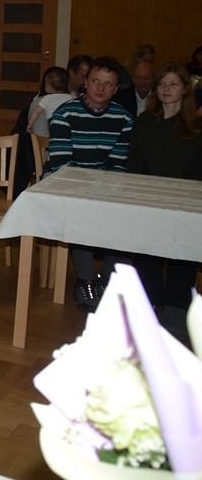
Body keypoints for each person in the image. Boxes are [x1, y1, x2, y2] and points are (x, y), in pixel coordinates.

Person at [44, 56, 135, 311]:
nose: (100, 88)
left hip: (104, 180)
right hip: (65, 179)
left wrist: (106, 188)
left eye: (108, 84)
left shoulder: (124, 118)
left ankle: (109, 278)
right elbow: (62, 164)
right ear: (85, 82)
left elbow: (118, 164)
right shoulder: (65, 113)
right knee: (81, 207)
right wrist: (92, 189)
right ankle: (85, 279)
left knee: (127, 208)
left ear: (116, 89)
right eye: (95, 81)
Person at [128, 63, 202, 343]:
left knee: (185, 252)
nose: (166, 89)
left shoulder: (196, 127)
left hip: (186, 200)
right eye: (161, 84)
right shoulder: (145, 122)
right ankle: (149, 306)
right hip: (150, 198)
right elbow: (135, 164)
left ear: (185, 89)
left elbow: (198, 171)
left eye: (173, 84)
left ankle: (176, 312)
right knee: (147, 250)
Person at [26, 67, 71, 136]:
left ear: (49, 86)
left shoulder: (46, 99)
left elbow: (36, 112)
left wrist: (30, 124)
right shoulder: (69, 97)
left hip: (53, 122)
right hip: (66, 121)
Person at [114, 51, 155, 117]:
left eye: (146, 78)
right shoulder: (121, 96)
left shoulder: (159, 98)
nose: (142, 82)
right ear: (132, 78)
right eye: (138, 78)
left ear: (153, 78)